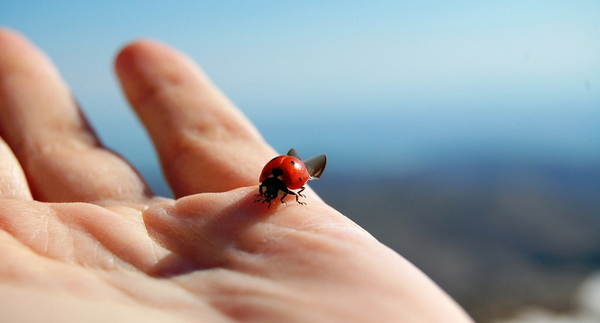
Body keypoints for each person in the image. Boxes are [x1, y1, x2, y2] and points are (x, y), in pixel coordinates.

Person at [0, 28, 472, 322]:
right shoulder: (284, 181)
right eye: (270, 190)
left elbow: (285, 180)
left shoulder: (281, 180)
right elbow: (287, 180)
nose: (266, 195)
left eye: (270, 190)